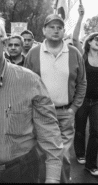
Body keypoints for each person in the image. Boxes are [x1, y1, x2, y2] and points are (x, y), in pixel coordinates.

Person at [0, 9, 63, 183]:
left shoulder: (31, 82)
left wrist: (52, 179)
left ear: (5, 43)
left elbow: (51, 138)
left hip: (23, 172)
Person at [24, 13, 87, 183]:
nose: (56, 30)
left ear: (63, 31)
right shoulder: (33, 53)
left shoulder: (74, 53)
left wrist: (73, 109)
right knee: (42, 156)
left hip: (65, 114)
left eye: (59, 27)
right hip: (41, 114)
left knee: (63, 157)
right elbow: (26, 84)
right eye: (51, 27)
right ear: (44, 30)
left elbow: (82, 83)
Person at [74, 32, 98, 176]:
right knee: (80, 130)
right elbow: (75, 39)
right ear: (89, 42)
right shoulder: (83, 55)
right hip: (82, 99)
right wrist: (80, 17)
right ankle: (80, 153)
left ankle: (91, 164)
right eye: (97, 39)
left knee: (96, 132)